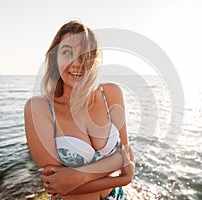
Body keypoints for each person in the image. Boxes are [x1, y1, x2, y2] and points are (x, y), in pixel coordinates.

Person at [24, 20, 135, 200]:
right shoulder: (39, 108)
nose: (77, 63)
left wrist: (77, 176)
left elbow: (127, 154)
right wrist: (122, 178)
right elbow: (56, 186)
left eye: (86, 53)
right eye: (67, 52)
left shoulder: (111, 94)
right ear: (54, 59)